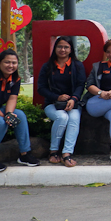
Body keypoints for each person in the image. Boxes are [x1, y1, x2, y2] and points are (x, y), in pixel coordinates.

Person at [36, 35, 85, 167]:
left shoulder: (77, 66)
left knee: (74, 118)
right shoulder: (47, 66)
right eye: (60, 47)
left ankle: (67, 153)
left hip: (73, 104)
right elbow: (41, 88)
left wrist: (73, 99)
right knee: (62, 117)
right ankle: (53, 151)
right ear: (55, 48)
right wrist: (56, 97)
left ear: (71, 49)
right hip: (52, 103)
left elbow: (81, 85)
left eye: (66, 47)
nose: (62, 50)